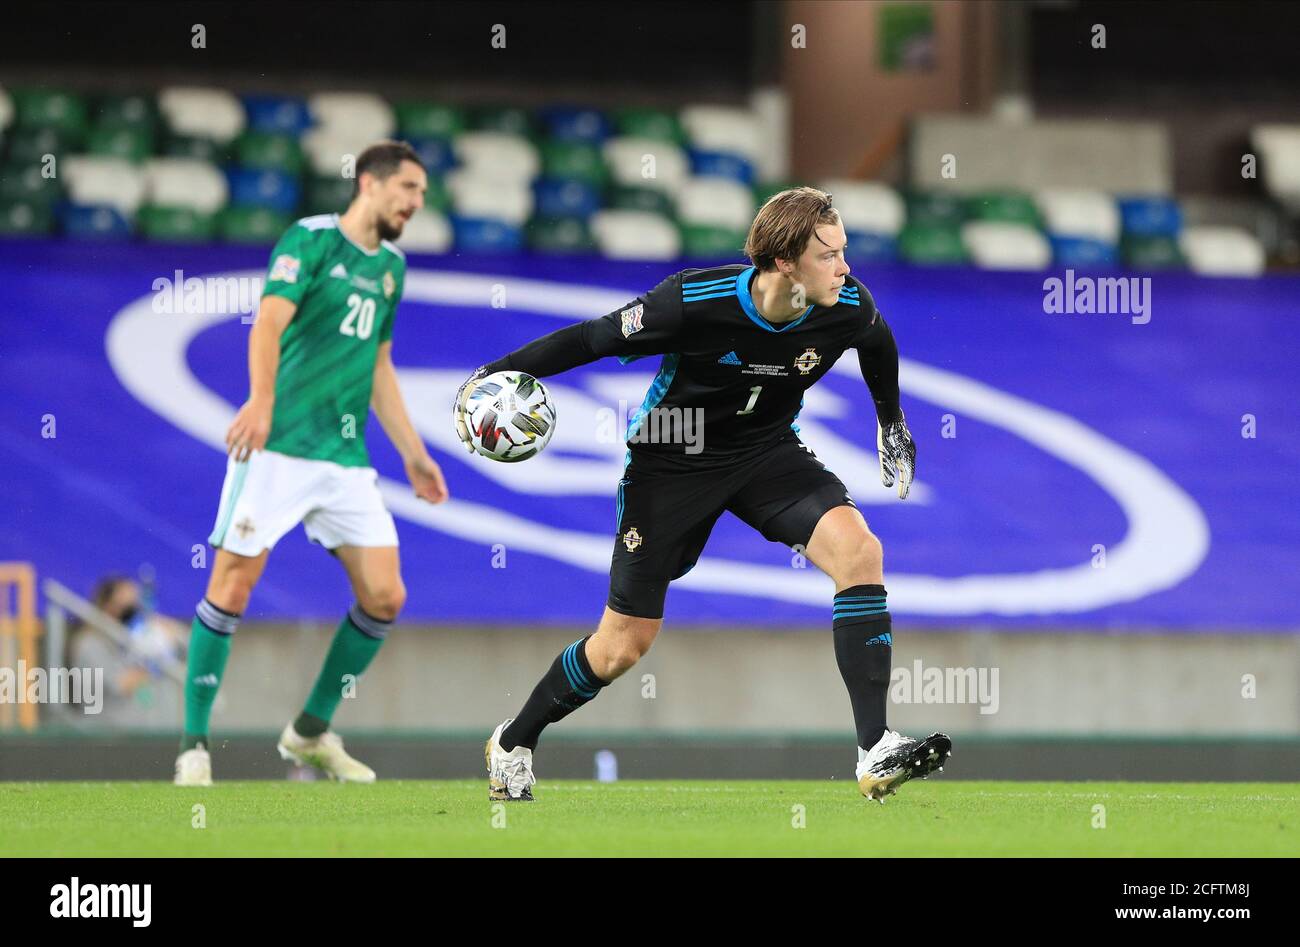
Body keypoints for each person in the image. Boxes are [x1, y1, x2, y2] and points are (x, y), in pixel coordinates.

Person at [456, 187, 950, 803]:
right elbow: (592, 339)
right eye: (830, 255)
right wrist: (491, 374)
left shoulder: (845, 305)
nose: (846, 268)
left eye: (844, 252)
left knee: (859, 552)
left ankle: (874, 748)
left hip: (767, 452)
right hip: (673, 459)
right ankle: (515, 739)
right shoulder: (691, 301)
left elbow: (876, 343)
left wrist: (892, 423)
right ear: (783, 262)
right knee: (621, 648)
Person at [175, 141, 449, 787]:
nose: (415, 204)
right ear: (369, 183)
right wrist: (262, 403)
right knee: (232, 586)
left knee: (385, 595)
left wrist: (414, 453)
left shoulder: (392, 269)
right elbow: (267, 324)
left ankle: (309, 733)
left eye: (421, 195)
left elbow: (379, 367)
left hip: (345, 459)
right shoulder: (311, 241)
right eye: (408, 189)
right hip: (277, 447)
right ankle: (193, 746)